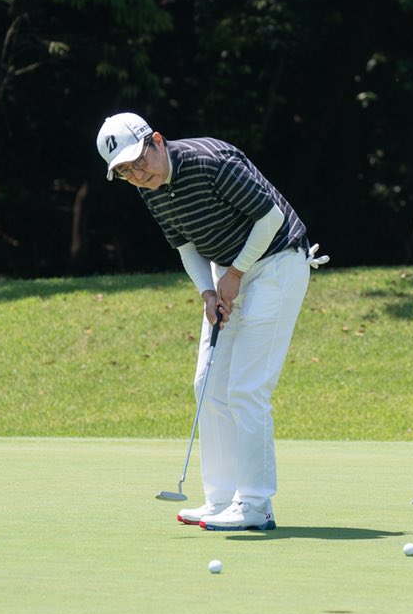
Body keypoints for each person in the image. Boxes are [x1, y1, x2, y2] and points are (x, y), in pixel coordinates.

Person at [95, 113, 327, 530]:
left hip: (277, 263)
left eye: (138, 161)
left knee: (246, 387)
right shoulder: (149, 192)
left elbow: (270, 218)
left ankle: (256, 504)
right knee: (208, 384)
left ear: (158, 141)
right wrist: (208, 291)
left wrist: (234, 274)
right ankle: (221, 498)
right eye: (125, 172)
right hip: (229, 271)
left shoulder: (210, 160)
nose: (137, 174)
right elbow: (186, 247)